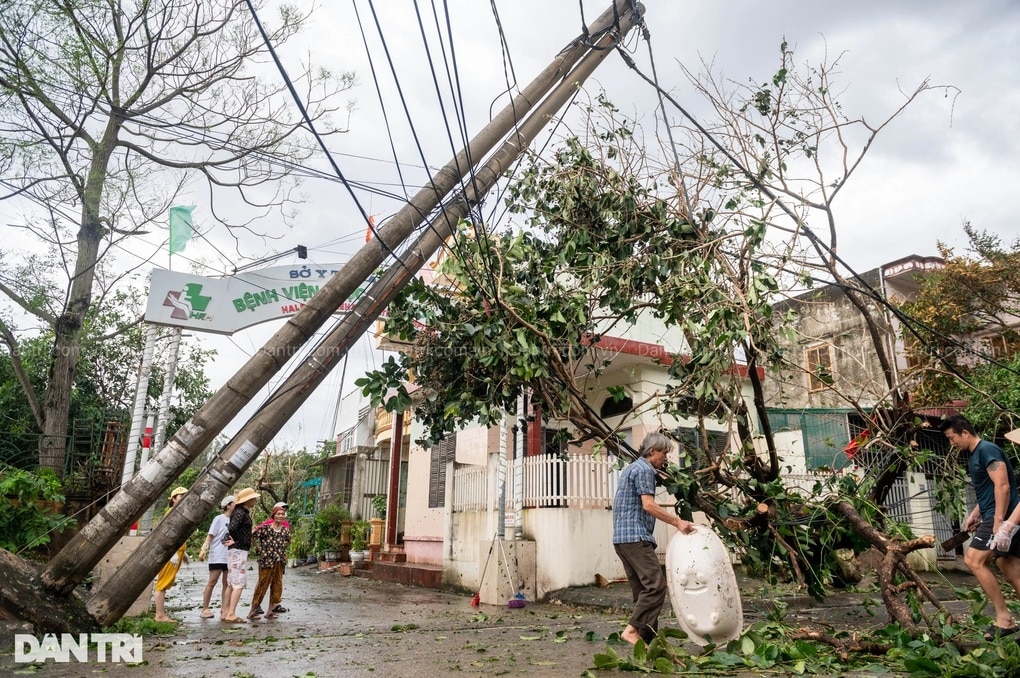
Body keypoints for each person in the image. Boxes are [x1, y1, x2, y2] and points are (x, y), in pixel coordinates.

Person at [940, 415, 1020, 639]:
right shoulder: (976, 455)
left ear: (965, 432)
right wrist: (975, 514)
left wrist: (998, 523)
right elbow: (988, 490)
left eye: (952, 437)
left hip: (1003, 517)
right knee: (1009, 566)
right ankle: (1006, 619)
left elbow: (1002, 486)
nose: (951, 443)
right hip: (995, 515)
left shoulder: (987, 450)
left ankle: (1004, 618)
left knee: (973, 560)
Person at [612, 432, 695, 645]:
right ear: (652, 451)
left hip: (622, 539)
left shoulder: (632, 468)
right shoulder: (644, 470)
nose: (666, 458)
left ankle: (648, 645)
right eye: (664, 453)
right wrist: (678, 522)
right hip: (636, 537)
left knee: (643, 593)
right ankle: (631, 631)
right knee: (656, 585)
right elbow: (648, 505)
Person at [221, 487, 259, 623]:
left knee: (231, 582)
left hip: (236, 549)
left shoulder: (240, 512)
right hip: (238, 549)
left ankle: (225, 612)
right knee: (238, 583)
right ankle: (231, 613)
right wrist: (238, 540)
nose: (255, 500)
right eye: (253, 498)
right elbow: (232, 528)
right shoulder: (240, 512)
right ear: (248, 500)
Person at [248, 502, 291, 619]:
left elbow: (288, 540)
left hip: (279, 560)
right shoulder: (266, 528)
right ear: (273, 515)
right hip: (266, 560)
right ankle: (253, 610)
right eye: (278, 514)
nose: (281, 516)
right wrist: (259, 548)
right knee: (263, 584)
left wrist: (282, 549)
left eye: (282, 514)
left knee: (277, 585)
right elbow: (252, 535)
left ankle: (270, 611)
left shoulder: (284, 530)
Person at [153, 486, 190, 622]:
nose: (184, 497)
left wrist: (183, 553)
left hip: (178, 551)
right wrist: (172, 553)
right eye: (181, 496)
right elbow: (166, 535)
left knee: (168, 582)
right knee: (163, 582)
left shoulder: (181, 513)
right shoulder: (171, 513)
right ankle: (160, 615)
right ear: (174, 499)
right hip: (171, 552)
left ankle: (161, 613)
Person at [198, 495, 235, 619]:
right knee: (212, 581)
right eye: (235, 503)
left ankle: (224, 610)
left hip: (230, 555)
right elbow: (211, 535)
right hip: (217, 555)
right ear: (228, 505)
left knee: (227, 583)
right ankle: (205, 608)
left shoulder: (236, 520)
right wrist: (205, 547)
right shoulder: (219, 519)